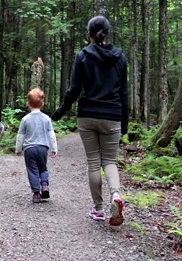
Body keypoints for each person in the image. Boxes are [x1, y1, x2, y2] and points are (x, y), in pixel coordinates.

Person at [51, 15, 128, 226]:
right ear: (108, 32)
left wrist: (60, 112)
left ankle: (99, 209)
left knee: (94, 162)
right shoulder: (120, 57)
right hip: (112, 116)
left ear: (90, 34)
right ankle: (116, 196)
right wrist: (125, 122)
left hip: (88, 115)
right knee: (110, 161)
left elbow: (74, 90)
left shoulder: (83, 56)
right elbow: (124, 93)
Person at [15, 88, 58, 203]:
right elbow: (51, 134)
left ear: (28, 103)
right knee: (43, 168)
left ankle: (36, 194)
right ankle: (44, 185)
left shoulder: (25, 119)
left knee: (32, 171)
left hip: (29, 149)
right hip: (43, 148)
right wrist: (54, 148)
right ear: (42, 103)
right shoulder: (46, 119)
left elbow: (20, 136)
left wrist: (18, 149)